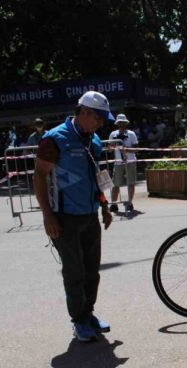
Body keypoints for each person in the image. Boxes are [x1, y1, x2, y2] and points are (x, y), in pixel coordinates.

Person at [33, 90, 114, 343]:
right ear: (85, 112)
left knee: (92, 270)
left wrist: (105, 206)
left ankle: (88, 314)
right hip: (64, 217)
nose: (100, 124)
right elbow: (39, 176)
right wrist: (48, 216)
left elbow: (97, 177)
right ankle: (78, 321)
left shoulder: (94, 140)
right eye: (98, 118)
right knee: (74, 271)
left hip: (90, 214)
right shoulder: (55, 139)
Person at [108, 114, 138, 213]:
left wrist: (125, 148)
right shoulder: (113, 134)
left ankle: (129, 202)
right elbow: (110, 150)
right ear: (117, 123)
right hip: (118, 162)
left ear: (126, 123)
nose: (121, 125)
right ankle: (114, 204)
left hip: (130, 161)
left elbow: (136, 149)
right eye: (120, 123)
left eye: (123, 123)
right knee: (115, 183)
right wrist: (115, 145)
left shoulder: (131, 134)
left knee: (131, 183)